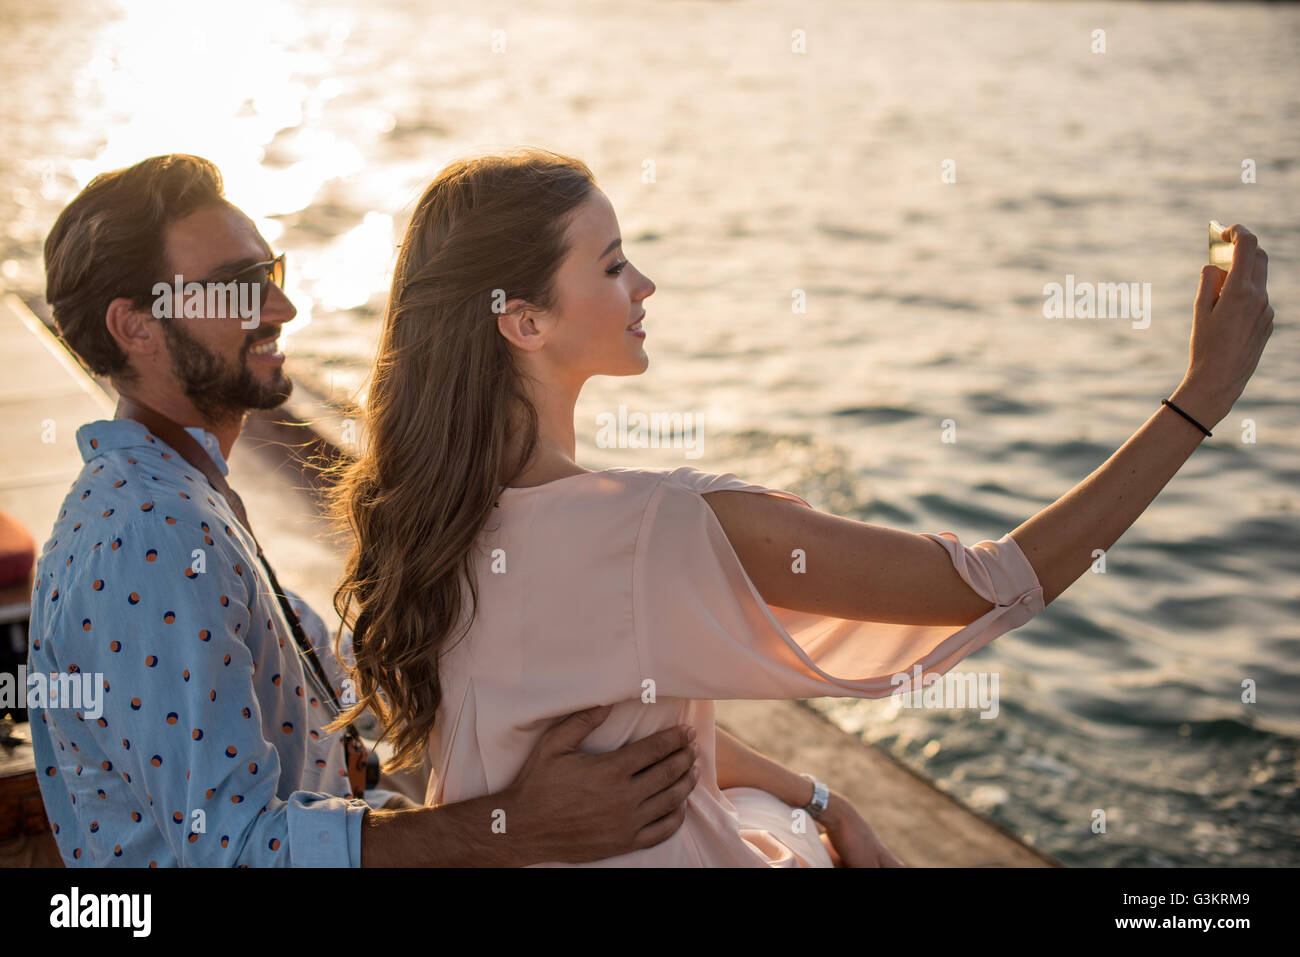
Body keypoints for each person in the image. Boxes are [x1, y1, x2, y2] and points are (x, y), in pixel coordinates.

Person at [329, 147, 1274, 866]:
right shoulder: (652, 531)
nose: (645, 284)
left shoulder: (435, 516)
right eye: (614, 266)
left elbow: (632, 730)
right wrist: (1200, 399)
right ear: (524, 321)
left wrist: (822, 796)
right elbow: (994, 584)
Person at [29, 153, 894, 867]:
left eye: (274, 275)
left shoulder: (184, 489)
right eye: (238, 286)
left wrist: (816, 793)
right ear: (135, 328)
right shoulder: (148, 534)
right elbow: (231, 850)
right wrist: (517, 822)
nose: (282, 307)